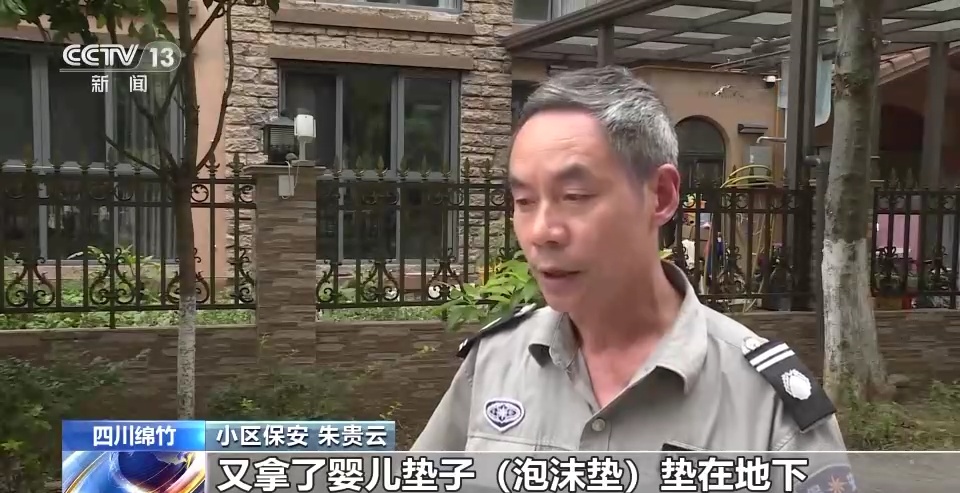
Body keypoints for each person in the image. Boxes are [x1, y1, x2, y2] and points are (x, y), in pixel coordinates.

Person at [412, 65, 852, 490]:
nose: (542, 231)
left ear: (660, 196)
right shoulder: (494, 364)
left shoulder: (768, 405)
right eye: (524, 201)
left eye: (574, 196)